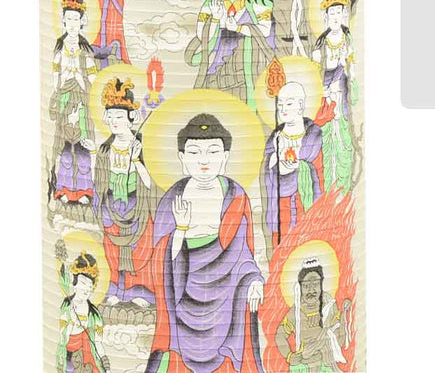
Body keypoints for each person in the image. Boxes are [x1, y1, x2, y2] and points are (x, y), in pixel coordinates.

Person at [146, 114, 265, 373]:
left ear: (225, 157)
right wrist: (181, 229)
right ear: (182, 158)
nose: (204, 160)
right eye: (194, 152)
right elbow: (160, 261)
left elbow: (242, 253)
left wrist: (254, 280)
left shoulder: (235, 198)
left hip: (226, 299)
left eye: (212, 151)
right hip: (183, 296)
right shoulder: (172, 199)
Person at [185, 0, 275, 109]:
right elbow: (202, 34)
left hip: (249, 70)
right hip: (219, 69)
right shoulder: (212, 2)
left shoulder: (258, 0)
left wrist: (239, 28)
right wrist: (216, 21)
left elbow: (265, 30)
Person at [91, 78, 158, 307]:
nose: (114, 122)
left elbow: (151, 184)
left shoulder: (143, 146)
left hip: (137, 208)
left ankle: (138, 290)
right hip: (111, 208)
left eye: (119, 116)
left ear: (132, 117)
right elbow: (99, 184)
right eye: (110, 117)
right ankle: (116, 290)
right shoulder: (104, 150)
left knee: (141, 250)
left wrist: (137, 161)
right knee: (113, 251)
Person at [51, 0, 98, 205]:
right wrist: (59, 91)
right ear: (63, 20)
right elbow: (55, 75)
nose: (71, 23)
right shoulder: (59, 48)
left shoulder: (85, 50)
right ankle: (63, 189)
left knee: (82, 149)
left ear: (82, 21)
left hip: (82, 100)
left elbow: (93, 77)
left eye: (75, 19)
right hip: (64, 99)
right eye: (68, 18)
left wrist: (82, 79)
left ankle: (84, 191)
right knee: (64, 150)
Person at [263, 82, 324, 250]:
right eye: (280, 104)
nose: (283, 109)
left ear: (301, 105)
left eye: (289, 104)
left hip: (303, 202)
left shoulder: (314, 137)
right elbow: (268, 173)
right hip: (280, 204)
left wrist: (301, 167)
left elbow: (320, 174)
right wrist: (276, 164)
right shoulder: (275, 139)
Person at [312, 0, 358, 194]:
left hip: (342, 95)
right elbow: (315, 73)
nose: (335, 17)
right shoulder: (321, 44)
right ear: (326, 16)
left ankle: (344, 185)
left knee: (344, 142)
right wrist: (323, 90)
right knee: (327, 142)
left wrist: (349, 71)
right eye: (332, 13)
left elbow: (353, 71)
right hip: (326, 96)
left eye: (339, 12)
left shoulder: (348, 40)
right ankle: (328, 189)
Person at [275, 258, 351, 372]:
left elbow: (338, 334)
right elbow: (280, 335)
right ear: (300, 287)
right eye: (306, 286)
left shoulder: (329, 305)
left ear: (321, 285)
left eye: (315, 284)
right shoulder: (297, 311)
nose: (311, 290)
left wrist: (344, 312)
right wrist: (289, 356)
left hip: (326, 361)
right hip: (304, 362)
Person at [56, 251, 111, 372]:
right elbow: (62, 337)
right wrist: (71, 322)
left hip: (88, 361)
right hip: (69, 359)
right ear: (74, 283)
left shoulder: (94, 315)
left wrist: (106, 366)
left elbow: (97, 343)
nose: (86, 289)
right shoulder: (66, 307)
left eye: (90, 285)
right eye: (83, 283)